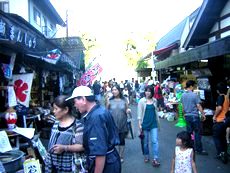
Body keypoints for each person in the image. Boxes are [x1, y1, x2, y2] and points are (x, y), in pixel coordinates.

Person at [66, 86, 121, 173]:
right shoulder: (99, 110)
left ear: (83, 99)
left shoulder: (95, 118)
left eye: (75, 101)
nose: (75, 105)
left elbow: (100, 153)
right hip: (111, 160)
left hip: (107, 164)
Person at [45, 95, 84, 173]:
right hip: (53, 167)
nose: (53, 111)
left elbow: (82, 146)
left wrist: (64, 148)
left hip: (68, 168)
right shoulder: (56, 123)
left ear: (66, 109)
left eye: (56, 109)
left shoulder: (77, 126)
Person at [181, 80, 208, 155]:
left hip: (187, 116)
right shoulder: (194, 95)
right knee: (198, 132)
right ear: (191, 86)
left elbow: (182, 106)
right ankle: (198, 149)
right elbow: (198, 106)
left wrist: (183, 114)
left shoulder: (183, 95)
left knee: (189, 133)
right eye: (194, 86)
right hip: (194, 116)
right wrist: (203, 114)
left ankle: (190, 147)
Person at [106, 84, 131, 163]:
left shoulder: (124, 100)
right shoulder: (110, 100)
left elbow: (127, 111)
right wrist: (107, 103)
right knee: (112, 142)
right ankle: (113, 155)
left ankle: (121, 156)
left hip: (122, 124)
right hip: (112, 125)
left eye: (115, 90)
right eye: (112, 90)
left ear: (119, 91)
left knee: (121, 141)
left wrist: (128, 111)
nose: (114, 91)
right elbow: (106, 113)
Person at [137, 85, 161, 167]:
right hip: (144, 124)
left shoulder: (154, 100)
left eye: (149, 91)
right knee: (145, 143)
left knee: (155, 141)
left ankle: (155, 158)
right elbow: (139, 114)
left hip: (153, 124)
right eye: (146, 91)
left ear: (152, 92)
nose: (147, 92)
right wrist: (139, 124)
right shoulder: (141, 101)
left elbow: (156, 111)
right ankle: (146, 155)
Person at [212, 82, 229, 164]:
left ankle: (220, 153)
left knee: (216, 137)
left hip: (219, 121)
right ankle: (225, 152)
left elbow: (219, 107)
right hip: (225, 121)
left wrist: (214, 116)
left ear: (218, 90)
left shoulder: (220, 97)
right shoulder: (227, 97)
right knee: (222, 138)